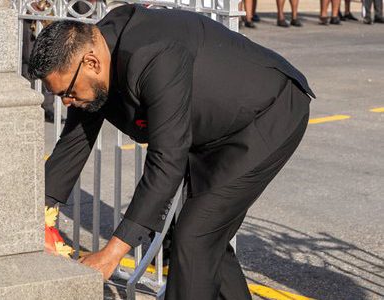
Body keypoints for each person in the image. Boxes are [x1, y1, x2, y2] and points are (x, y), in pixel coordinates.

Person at [29, 4, 315, 299]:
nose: (65, 102)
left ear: (91, 62)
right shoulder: (98, 52)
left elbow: (167, 160)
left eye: (68, 92)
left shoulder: (153, 53)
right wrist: (39, 212)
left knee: (194, 237)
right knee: (203, 238)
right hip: (211, 129)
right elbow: (76, 138)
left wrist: (112, 252)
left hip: (266, 116)